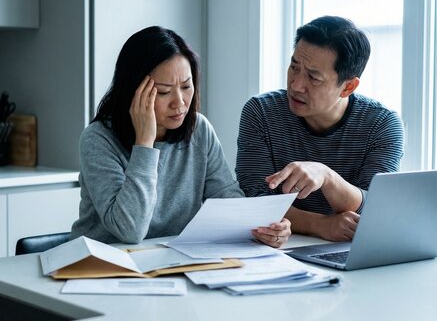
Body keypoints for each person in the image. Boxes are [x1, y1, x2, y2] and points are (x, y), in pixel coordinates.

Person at [70, 26, 291, 247]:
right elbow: (130, 230)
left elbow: (227, 199)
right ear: (133, 92)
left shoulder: (199, 129)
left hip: (171, 261)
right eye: (164, 92)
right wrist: (145, 144)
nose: (180, 102)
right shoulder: (98, 139)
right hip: (102, 266)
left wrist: (263, 227)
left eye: (186, 86)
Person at [235, 16, 405, 242]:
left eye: (313, 78)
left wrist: (326, 177)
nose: (296, 85)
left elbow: (375, 211)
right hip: (281, 248)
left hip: (348, 251)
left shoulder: (382, 125)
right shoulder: (261, 113)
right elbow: (254, 200)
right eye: (294, 67)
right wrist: (319, 225)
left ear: (348, 86)